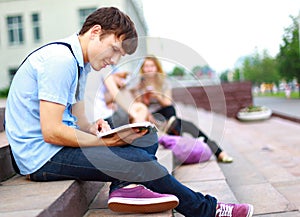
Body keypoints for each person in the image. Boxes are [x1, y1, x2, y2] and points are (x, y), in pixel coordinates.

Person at [4, 7, 253, 217]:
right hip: (41, 158)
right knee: (138, 160)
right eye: (114, 50)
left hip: (58, 147)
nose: (114, 61)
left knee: (147, 135)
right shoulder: (59, 60)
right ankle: (208, 210)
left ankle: (123, 187)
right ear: (95, 32)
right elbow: (51, 132)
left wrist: (94, 128)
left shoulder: (81, 65)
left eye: (119, 56)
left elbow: (77, 120)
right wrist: (103, 141)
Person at [132, 55, 233, 163]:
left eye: (152, 66)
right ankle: (219, 152)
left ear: (157, 68)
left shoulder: (164, 83)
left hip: (167, 117)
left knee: (172, 112)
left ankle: (215, 151)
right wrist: (144, 97)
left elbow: (167, 102)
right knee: (187, 125)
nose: (149, 69)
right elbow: (138, 107)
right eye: (146, 66)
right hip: (150, 117)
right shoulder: (138, 86)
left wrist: (156, 95)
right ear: (143, 69)